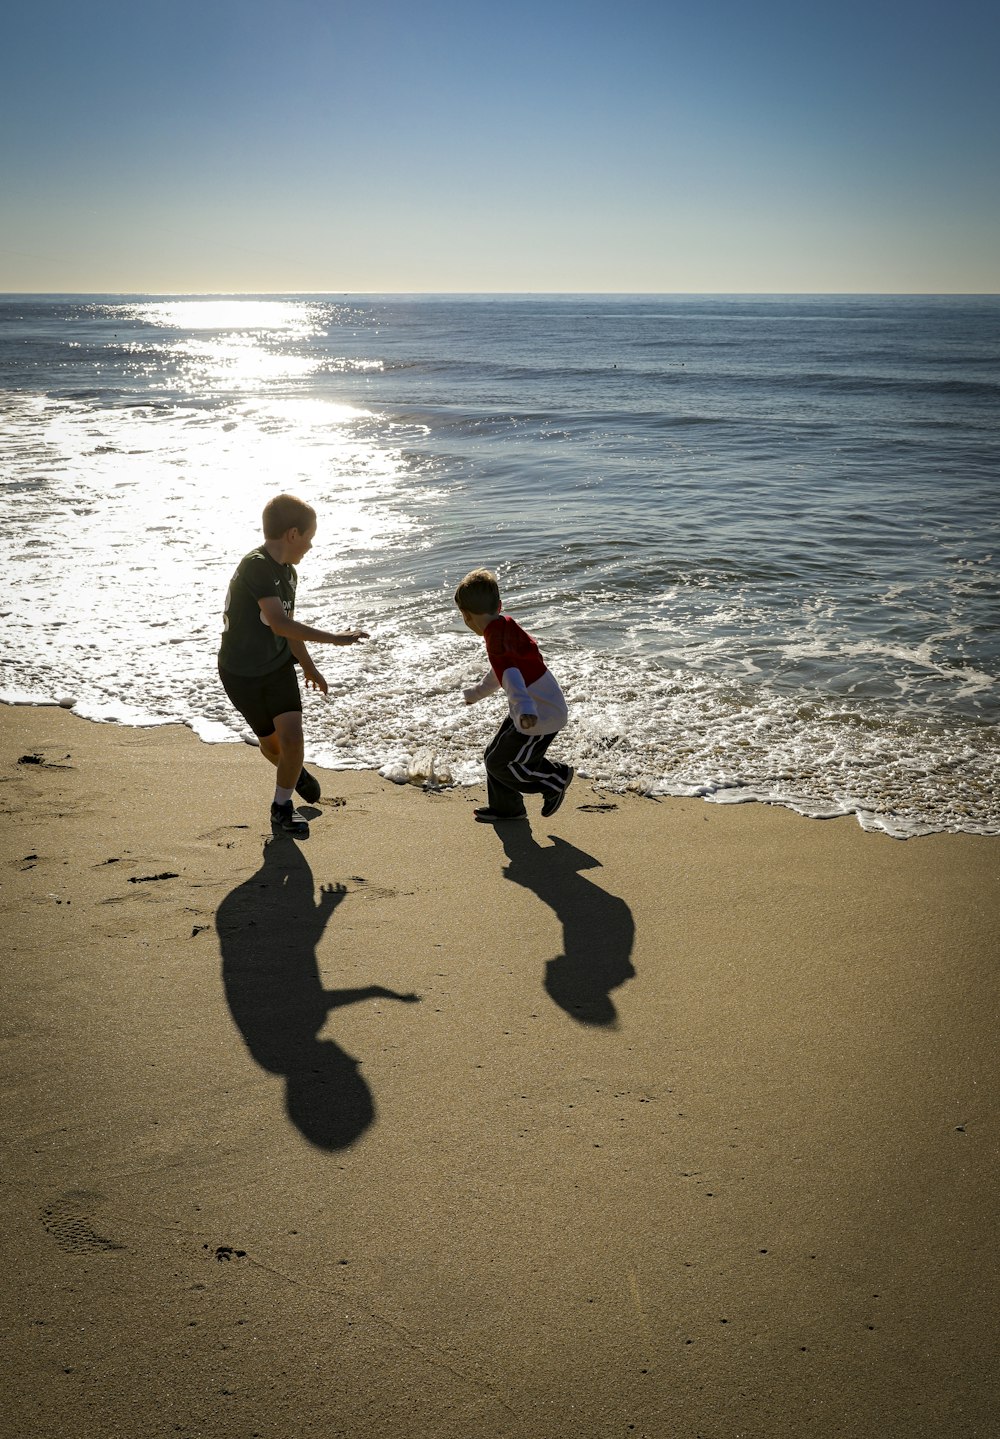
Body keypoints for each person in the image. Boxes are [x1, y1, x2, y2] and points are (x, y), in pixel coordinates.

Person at [218, 494, 368, 837]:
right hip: (240, 674)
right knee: (273, 748)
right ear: (292, 534)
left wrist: (309, 667)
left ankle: (281, 807)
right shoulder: (257, 565)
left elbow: (288, 628)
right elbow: (278, 622)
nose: (310, 547)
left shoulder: (289, 574)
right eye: (309, 538)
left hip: (277, 668)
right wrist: (335, 638)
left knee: (293, 741)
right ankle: (295, 773)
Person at [455, 568, 573, 823]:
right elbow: (502, 672)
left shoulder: (495, 639)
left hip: (539, 714)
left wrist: (526, 709)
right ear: (499, 605)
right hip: (534, 707)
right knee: (493, 756)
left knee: (504, 764)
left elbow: (510, 674)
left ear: (465, 616)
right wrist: (475, 694)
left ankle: (555, 779)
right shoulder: (503, 626)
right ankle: (508, 809)